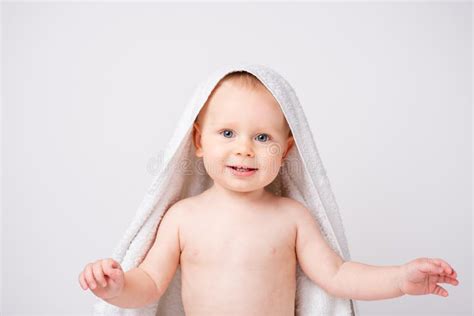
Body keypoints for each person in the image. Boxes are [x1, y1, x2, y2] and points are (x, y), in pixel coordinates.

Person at [79, 69, 459, 316]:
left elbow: (338, 275)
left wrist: (399, 279)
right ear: (198, 141)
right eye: (227, 133)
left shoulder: (291, 218)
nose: (245, 149)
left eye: (262, 137)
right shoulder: (183, 217)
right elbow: (149, 285)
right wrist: (118, 286)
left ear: (287, 150)